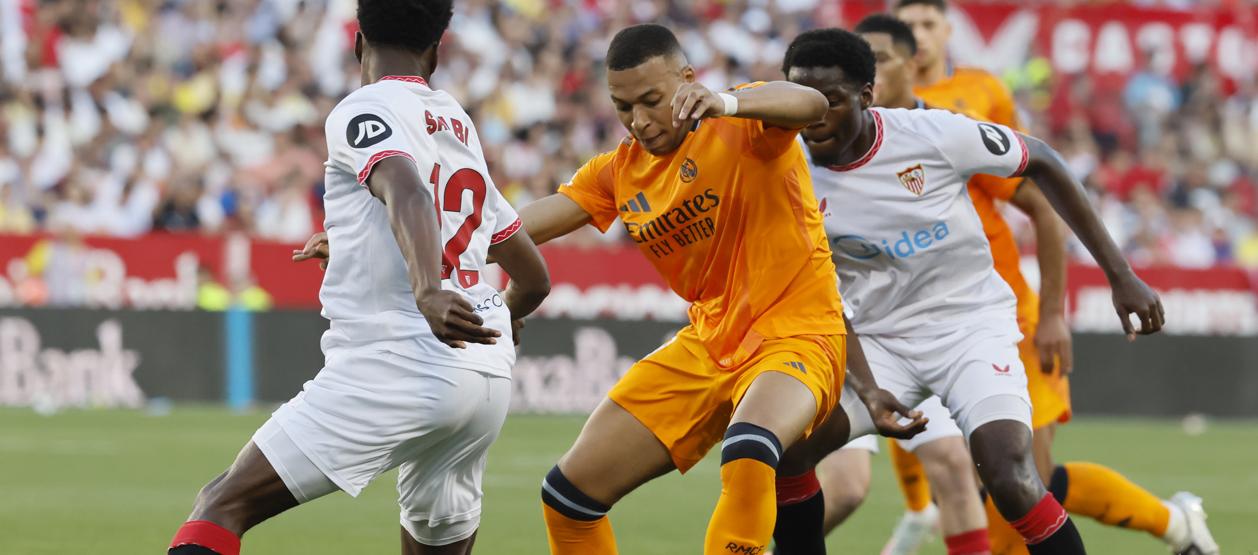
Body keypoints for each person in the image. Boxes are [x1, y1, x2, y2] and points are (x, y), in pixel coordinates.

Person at [509, 23, 923, 555]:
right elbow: (517, 228)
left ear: (687, 80)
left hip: (797, 336)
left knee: (749, 449)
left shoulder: (743, 121)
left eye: (652, 100)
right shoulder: (618, 171)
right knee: (568, 496)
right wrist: (453, 240)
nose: (639, 121)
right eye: (622, 106)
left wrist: (725, 102)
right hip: (708, 344)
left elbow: (811, 102)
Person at [167, 1, 551, 554]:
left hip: (400, 361)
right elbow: (533, 276)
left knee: (222, 503)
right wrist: (501, 313)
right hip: (484, 378)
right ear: (436, 53)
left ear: (357, 43)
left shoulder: (363, 108)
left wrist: (428, 291)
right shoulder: (458, 126)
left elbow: (407, 189)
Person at [780, 27, 1165, 554]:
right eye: (802, 102)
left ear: (866, 97)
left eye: (831, 102)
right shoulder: (786, 175)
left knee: (1009, 475)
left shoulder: (933, 134)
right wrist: (868, 388)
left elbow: (1045, 161)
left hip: (968, 329)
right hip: (877, 343)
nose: (813, 118)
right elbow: (817, 291)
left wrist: (1120, 275)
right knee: (791, 453)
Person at [889, 1, 1219, 553]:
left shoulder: (973, 98)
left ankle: (1174, 523)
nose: (917, 37)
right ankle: (1175, 523)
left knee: (1019, 484)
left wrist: (1052, 315)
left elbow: (1039, 195)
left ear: (949, 31)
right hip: (915, 319)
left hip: (996, 313)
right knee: (975, 481)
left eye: (927, 24)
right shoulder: (862, 123)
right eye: (907, 27)